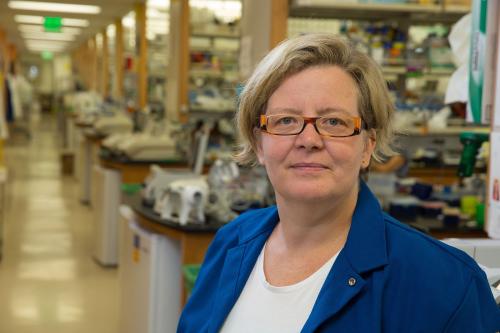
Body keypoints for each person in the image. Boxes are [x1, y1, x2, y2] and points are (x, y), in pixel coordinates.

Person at [177, 34, 500, 332]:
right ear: (259, 143)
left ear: (368, 146)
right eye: (286, 120)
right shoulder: (232, 242)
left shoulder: (446, 282)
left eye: (334, 122)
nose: (308, 140)